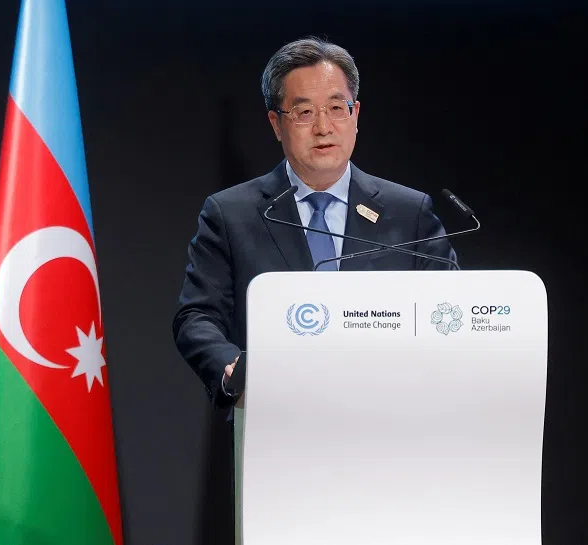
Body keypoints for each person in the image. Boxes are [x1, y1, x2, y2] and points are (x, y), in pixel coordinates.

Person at [172, 37, 458, 411]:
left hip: (389, 415)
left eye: (337, 108)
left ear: (355, 115)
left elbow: (451, 310)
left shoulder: (408, 212)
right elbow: (197, 316)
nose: (323, 127)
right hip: (276, 415)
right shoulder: (231, 214)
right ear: (276, 124)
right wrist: (231, 367)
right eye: (304, 112)